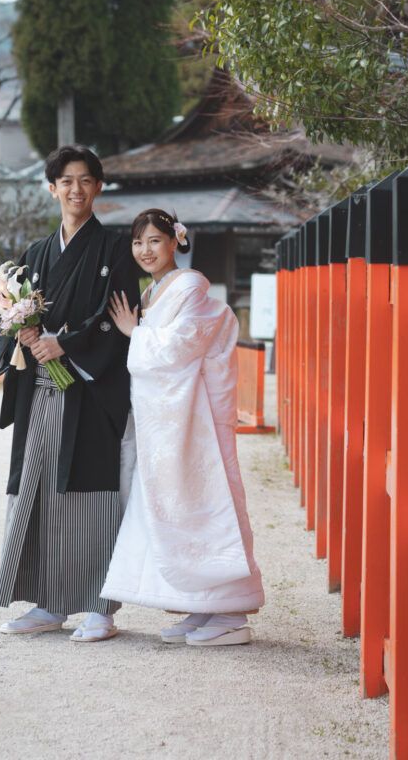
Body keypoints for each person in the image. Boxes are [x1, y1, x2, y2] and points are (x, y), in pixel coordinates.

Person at [0, 145, 140, 642]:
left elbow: (117, 316)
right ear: (51, 188)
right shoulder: (35, 253)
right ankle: (48, 602)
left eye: (86, 180)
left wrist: (65, 343)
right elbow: (15, 320)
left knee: (92, 494)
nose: (76, 189)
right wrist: (22, 336)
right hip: (39, 391)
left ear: (98, 187)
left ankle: (101, 606)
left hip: (88, 390)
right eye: (66, 181)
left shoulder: (115, 248)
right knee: (39, 490)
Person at [102, 208, 265, 646]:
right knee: (178, 505)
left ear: (176, 242)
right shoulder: (155, 290)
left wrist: (135, 333)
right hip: (171, 419)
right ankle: (202, 605)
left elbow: (179, 348)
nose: (146, 250)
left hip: (197, 421)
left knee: (207, 503)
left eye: (155, 241)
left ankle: (230, 612)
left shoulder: (190, 286)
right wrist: (137, 332)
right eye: (139, 243)